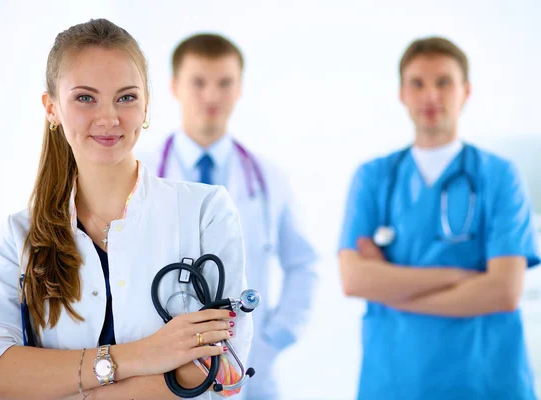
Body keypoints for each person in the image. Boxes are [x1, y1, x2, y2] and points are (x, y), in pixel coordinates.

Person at [0, 19, 253, 400]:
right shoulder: (20, 234)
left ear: (147, 105)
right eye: (85, 98)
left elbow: (220, 374)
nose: (108, 118)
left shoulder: (205, 211)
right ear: (51, 108)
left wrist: (62, 384)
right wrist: (142, 356)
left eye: (126, 97)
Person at [338, 36, 540, 400]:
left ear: (466, 90)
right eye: (418, 83)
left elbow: (505, 291)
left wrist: (391, 289)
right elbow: (353, 279)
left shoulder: (499, 176)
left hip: (485, 380)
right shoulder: (373, 177)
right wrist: (462, 278)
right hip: (394, 381)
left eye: (443, 81)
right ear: (401, 93)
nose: (431, 95)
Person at [137, 33, 318, 400]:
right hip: (157, 364)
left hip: (247, 365)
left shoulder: (268, 179)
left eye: (224, 83)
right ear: (174, 86)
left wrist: (272, 337)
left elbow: (304, 265)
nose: (211, 96)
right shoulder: (141, 175)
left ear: (239, 89)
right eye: (198, 82)